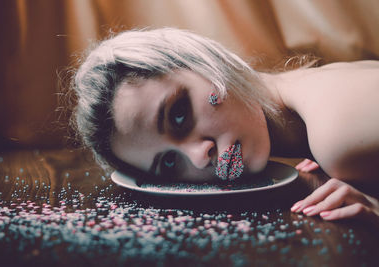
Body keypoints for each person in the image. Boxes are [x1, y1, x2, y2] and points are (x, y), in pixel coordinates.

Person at [71, 28, 379, 226]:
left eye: (178, 114)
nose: (198, 157)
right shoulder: (314, 105)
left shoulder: (337, 139)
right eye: (168, 162)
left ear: (204, 62)